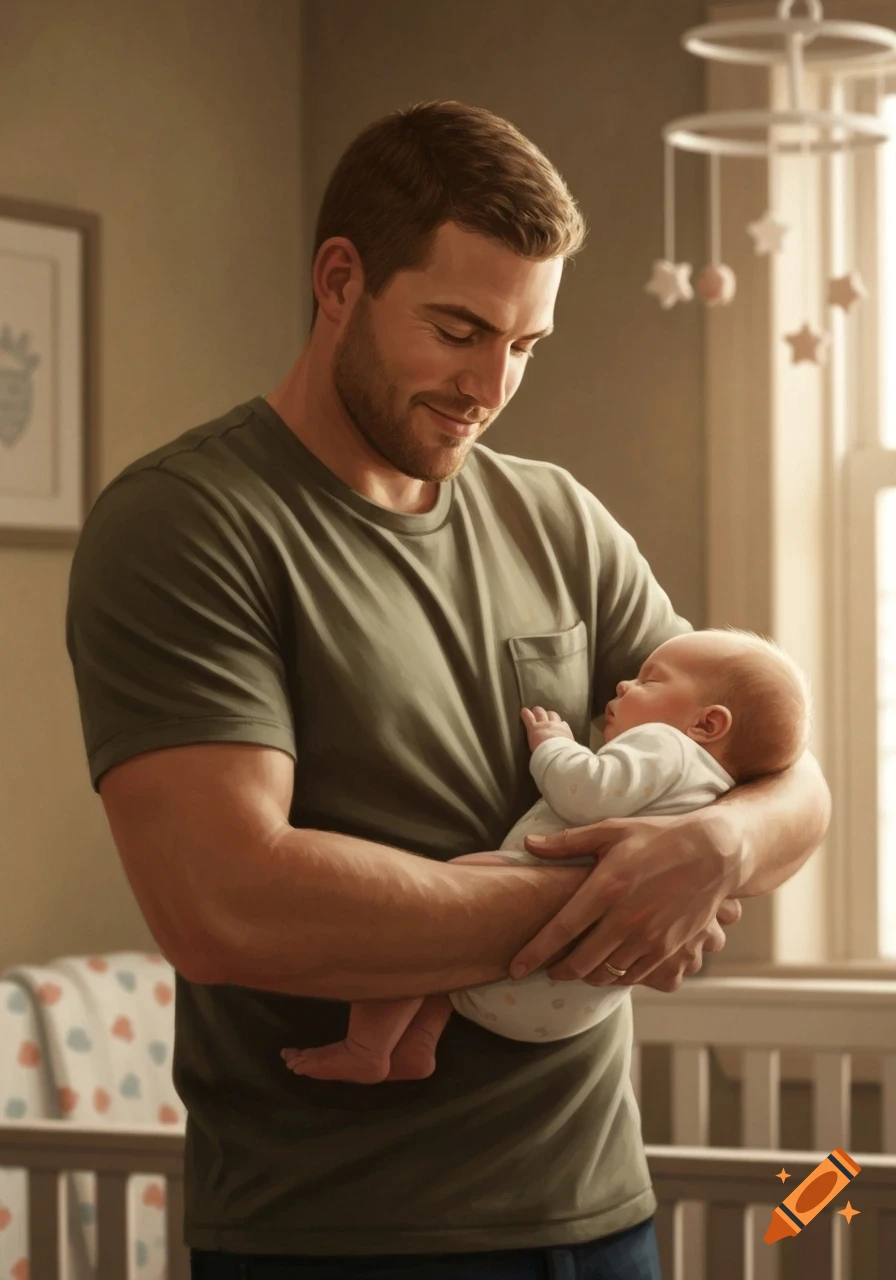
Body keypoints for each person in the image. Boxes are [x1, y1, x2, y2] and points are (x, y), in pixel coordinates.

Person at [65, 100, 831, 1280]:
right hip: (343, 1236)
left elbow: (781, 773)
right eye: (459, 328)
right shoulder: (186, 526)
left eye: (524, 345)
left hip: (600, 1210)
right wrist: (614, 902)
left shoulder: (556, 518)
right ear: (338, 280)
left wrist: (715, 850)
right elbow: (224, 902)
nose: (489, 383)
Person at [281, 628, 812, 1083]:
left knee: (422, 915)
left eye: (650, 680)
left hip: (541, 911)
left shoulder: (667, 745)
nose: (624, 683)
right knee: (439, 970)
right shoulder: (714, 787)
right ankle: (417, 1047)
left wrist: (553, 744)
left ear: (707, 725)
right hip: (573, 1002)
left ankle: (368, 1048)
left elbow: (585, 791)